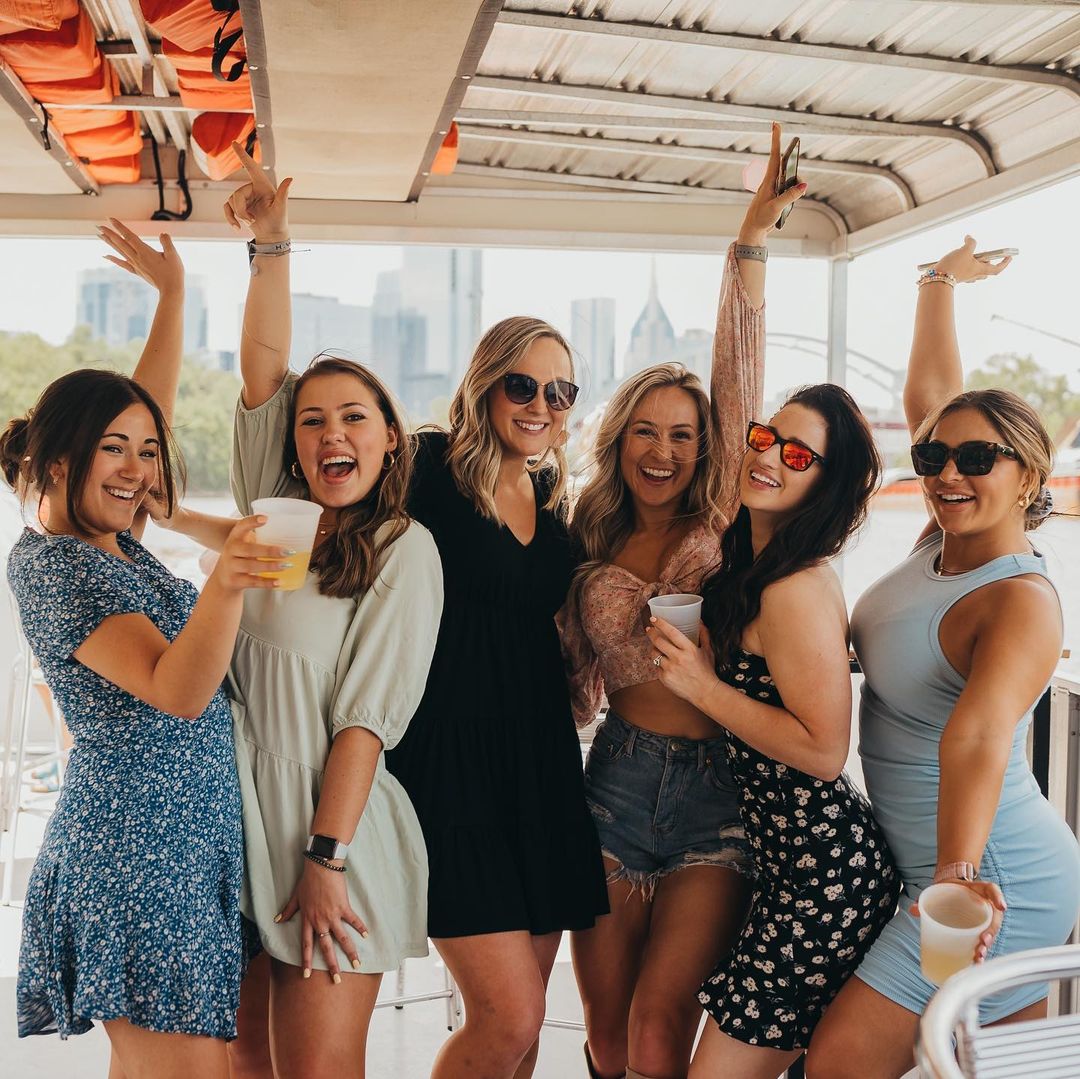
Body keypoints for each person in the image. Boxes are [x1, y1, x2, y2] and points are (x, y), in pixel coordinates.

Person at [153, 145, 443, 1079]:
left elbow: (366, 723)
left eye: (353, 416)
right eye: (314, 420)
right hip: (234, 824)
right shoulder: (274, 529)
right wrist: (270, 248)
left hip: (331, 834)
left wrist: (326, 858)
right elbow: (264, 370)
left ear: (388, 434)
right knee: (244, 1066)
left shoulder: (404, 550)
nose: (331, 434)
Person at [1, 227, 282, 1079]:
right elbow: (176, 689)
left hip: (183, 842)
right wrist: (226, 583)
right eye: (110, 451)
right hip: (136, 852)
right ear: (57, 459)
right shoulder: (60, 568)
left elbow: (135, 411)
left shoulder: (106, 527)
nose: (135, 470)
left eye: (146, 451)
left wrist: (173, 296)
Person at [560, 123, 807, 1079]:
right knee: (610, 1032)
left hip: (717, 792)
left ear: (706, 449)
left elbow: (739, 368)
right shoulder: (585, 531)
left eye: (683, 436)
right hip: (613, 784)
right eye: (646, 433)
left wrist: (749, 239)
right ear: (620, 438)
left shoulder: (720, 514)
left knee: (665, 1026)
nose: (663, 451)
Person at [805, 238, 1080, 1079]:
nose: (947, 473)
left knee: (841, 1064)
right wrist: (937, 284)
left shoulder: (1017, 599)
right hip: (929, 867)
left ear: (1029, 472)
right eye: (931, 457)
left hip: (990, 879)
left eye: (976, 459)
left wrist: (956, 876)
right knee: (989, 1072)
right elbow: (933, 396)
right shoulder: (942, 538)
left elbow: (979, 737)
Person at [383, 235, 608, 1079]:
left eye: (561, 389)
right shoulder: (426, 465)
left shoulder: (554, 493)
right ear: (486, 383)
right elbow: (324, 513)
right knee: (507, 1017)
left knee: (523, 1031)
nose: (542, 402)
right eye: (524, 383)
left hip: (540, 760)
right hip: (446, 762)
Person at [647, 383, 900, 1079]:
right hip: (790, 871)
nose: (770, 458)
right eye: (764, 438)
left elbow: (823, 752)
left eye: (797, 453)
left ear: (827, 482)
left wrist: (703, 686)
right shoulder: (757, 567)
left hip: (824, 879)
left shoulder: (794, 588)